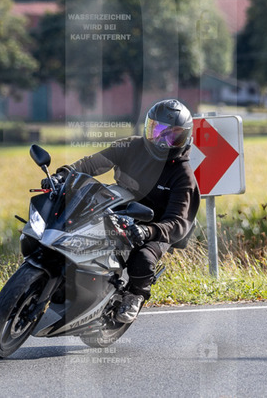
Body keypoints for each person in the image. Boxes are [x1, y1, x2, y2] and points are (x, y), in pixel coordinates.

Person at [43, 99, 201, 323]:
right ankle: (65, 277)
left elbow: (178, 222)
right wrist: (63, 175)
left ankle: (135, 295)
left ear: (186, 137)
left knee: (143, 258)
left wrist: (148, 231)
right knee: (75, 222)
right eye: (158, 131)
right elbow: (91, 164)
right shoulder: (131, 146)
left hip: (154, 226)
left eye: (173, 135)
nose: (163, 141)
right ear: (148, 127)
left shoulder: (183, 176)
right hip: (120, 205)